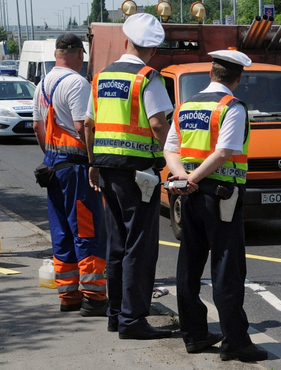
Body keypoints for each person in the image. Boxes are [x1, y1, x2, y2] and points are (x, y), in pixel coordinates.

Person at [163, 48, 269, 362]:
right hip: (221, 196)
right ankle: (235, 342)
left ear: (211, 74)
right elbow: (224, 152)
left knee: (189, 264)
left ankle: (194, 335)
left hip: (188, 194)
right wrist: (194, 177)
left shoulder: (186, 106)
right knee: (227, 268)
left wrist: (183, 176)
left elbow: (170, 148)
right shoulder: (231, 107)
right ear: (238, 79)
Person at [84, 13, 173, 340]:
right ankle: (133, 321)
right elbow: (159, 124)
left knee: (118, 243)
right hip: (139, 174)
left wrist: (92, 163)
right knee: (140, 247)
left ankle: (116, 314)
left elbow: (88, 125)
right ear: (154, 49)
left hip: (107, 169)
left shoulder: (102, 76)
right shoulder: (148, 78)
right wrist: (175, 161)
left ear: (126, 41)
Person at [32, 32, 107, 317]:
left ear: (56, 54)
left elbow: (39, 128)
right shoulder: (77, 83)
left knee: (62, 232)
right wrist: (93, 162)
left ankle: (69, 296)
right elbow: (81, 126)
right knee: (87, 230)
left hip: (52, 168)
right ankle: (95, 297)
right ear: (79, 54)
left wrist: (50, 156)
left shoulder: (43, 84)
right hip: (76, 168)